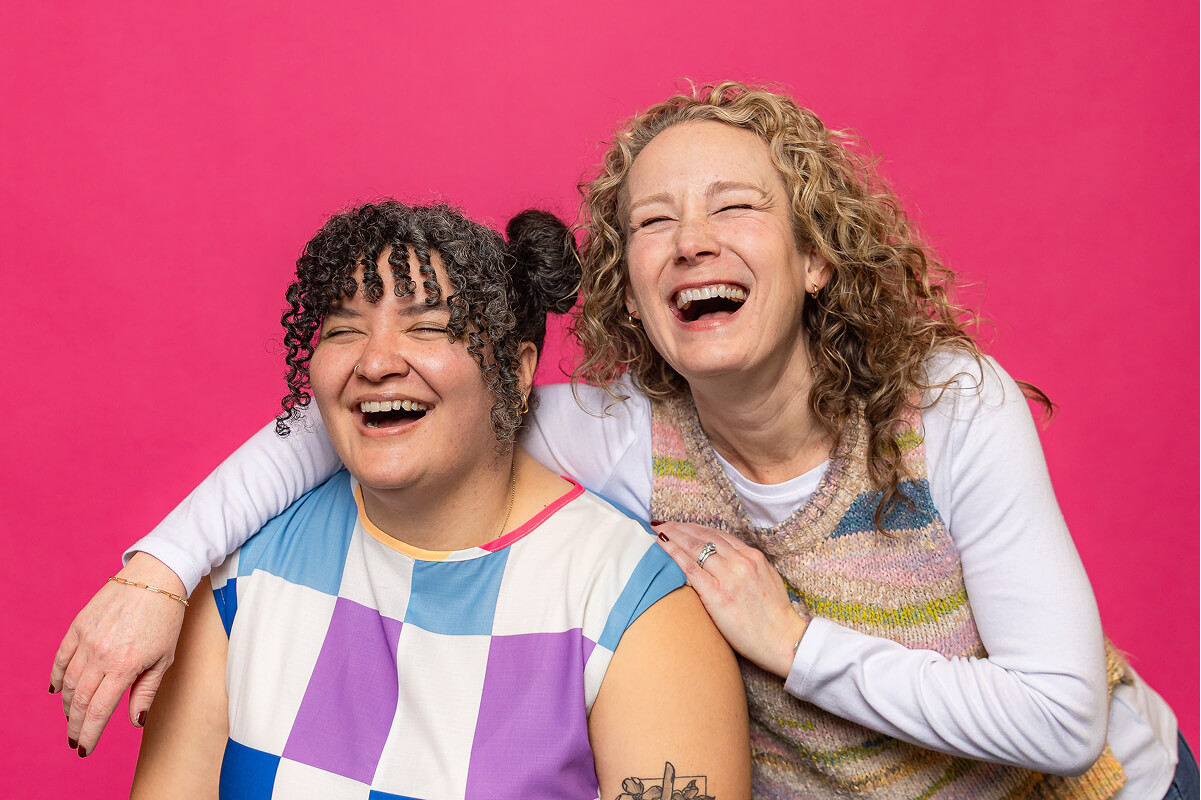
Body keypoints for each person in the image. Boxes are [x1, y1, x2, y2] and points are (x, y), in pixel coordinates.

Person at [53, 85, 1195, 799]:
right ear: (630, 288)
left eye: (733, 207)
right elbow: (373, 413)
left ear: (814, 257)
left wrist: (790, 641)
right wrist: (157, 574)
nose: (690, 240)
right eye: (654, 221)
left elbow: (1060, 719)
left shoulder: (946, 402)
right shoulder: (624, 433)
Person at [124, 201, 750, 799]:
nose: (374, 362)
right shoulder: (242, 572)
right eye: (344, 330)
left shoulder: (632, 606)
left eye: (427, 327)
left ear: (517, 371)